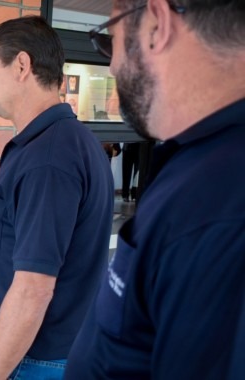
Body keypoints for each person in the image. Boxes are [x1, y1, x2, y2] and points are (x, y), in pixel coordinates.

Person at [65, 0, 245, 379]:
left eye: (110, 38)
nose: (112, 64)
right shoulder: (198, 163)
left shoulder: (219, 209)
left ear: (157, 25)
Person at [0, 16, 114, 379]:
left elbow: (33, 290)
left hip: (33, 362)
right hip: (36, 355)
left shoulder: (48, 160)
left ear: (21, 65)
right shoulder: (62, 141)